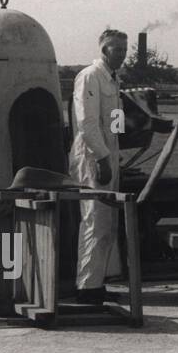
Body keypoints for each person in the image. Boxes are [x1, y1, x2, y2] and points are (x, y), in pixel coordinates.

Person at [70, 28, 127, 303]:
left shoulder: (113, 80)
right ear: (104, 50)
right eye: (117, 50)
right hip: (93, 159)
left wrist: (116, 153)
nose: (123, 55)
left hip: (108, 156)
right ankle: (86, 288)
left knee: (108, 221)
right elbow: (87, 124)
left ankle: (97, 282)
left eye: (125, 50)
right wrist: (103, 156)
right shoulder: (90, 77)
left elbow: (114, 120)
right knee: (95, 220)